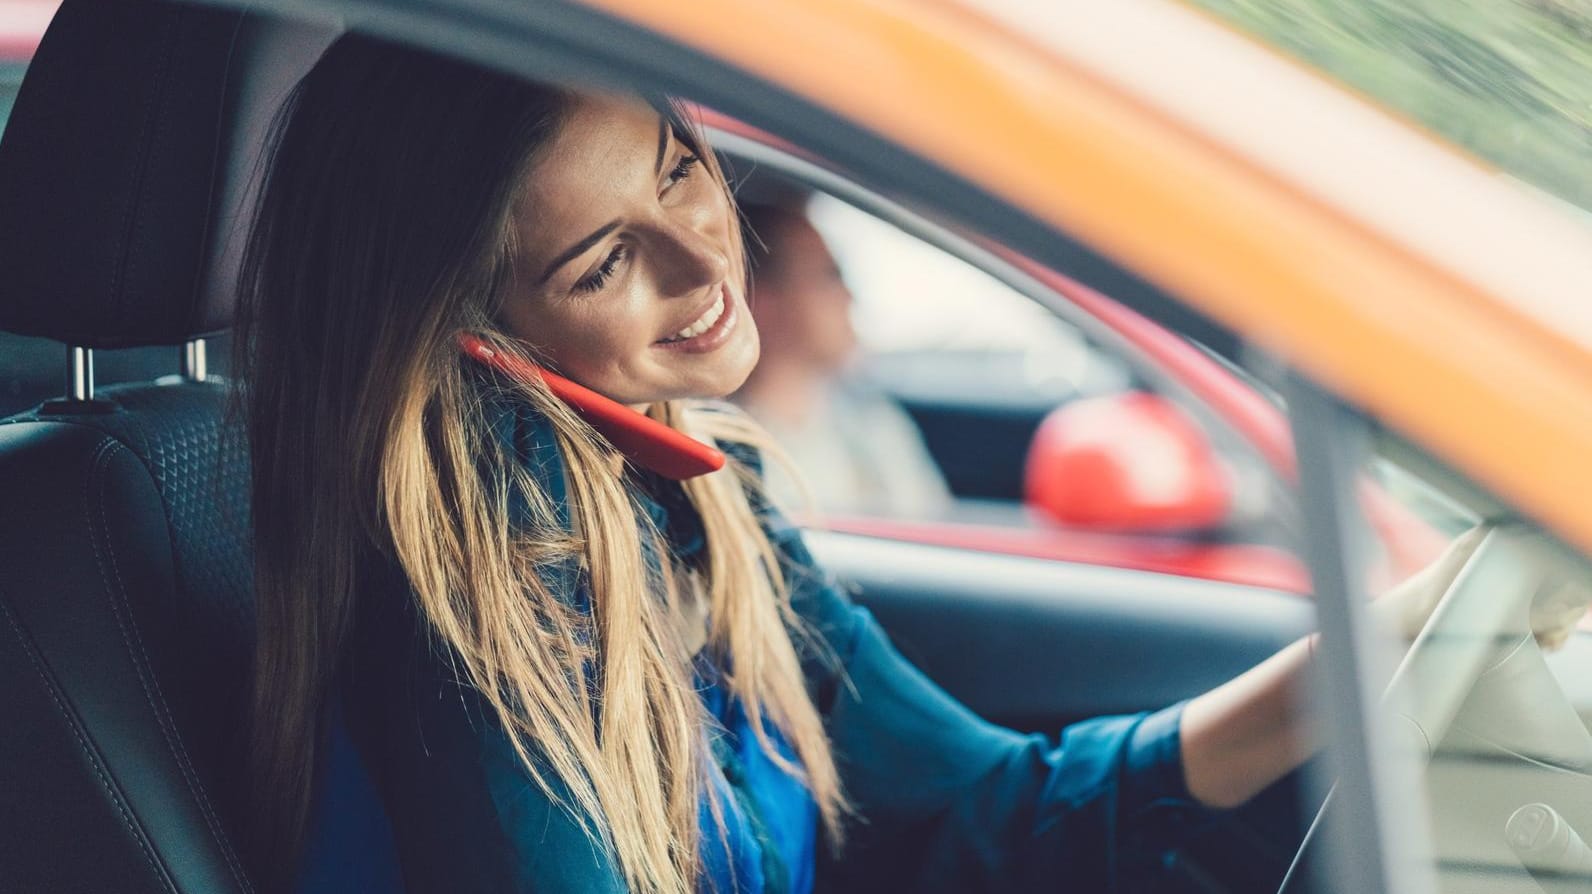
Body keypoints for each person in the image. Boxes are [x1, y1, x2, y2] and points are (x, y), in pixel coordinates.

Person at [233, 33, 1520, 894]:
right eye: (605, 261)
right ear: (473, 335)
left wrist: (1404, 636)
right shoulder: (480, 618)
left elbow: (989, 801)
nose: (704, 261)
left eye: (679, 172)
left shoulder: (691, 498)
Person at [734, 201, 951, 517]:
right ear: (763, 300)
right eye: (830, 276)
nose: (850, 297)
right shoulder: (722, 445)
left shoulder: (872, 420)